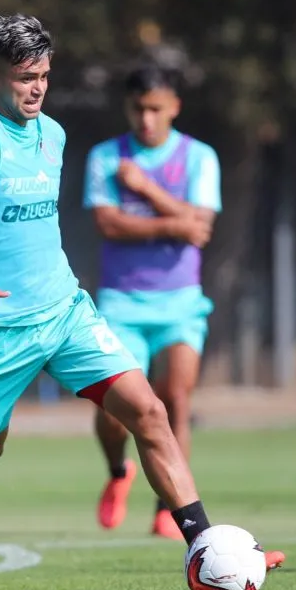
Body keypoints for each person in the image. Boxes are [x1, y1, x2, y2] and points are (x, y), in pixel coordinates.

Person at [0, 13, 284, 577]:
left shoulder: (52, 134)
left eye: (45, 76)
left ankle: (206, 549)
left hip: (65, 312)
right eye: (25, 77)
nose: (37, 88)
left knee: (151, 412)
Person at [83, 64, 220, 539]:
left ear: (174, 108)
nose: (146, 119)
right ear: (128, 108)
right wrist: (174, 222)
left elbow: (201, 228)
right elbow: (108, 224)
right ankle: (119, 472)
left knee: (175, 400)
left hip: (181, 303)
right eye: (139, 109)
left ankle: (170, 505)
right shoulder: (105, 157)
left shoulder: (200, 158)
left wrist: (143, 189)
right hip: (121, 303)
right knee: (112, 412)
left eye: (156, 109)